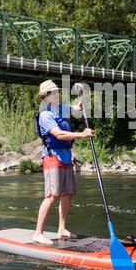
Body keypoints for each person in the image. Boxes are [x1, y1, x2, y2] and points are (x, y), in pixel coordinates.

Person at [33, 79, 94, 245]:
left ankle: (62, 229)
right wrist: (82, 134)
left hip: (66, 156)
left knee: (67, 194)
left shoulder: (61, 109)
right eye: (54, 92)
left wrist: (82, 97)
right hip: (52, 158)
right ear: (46, 96)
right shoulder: (45, 115)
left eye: (57, 91)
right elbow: (59, 135)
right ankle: (38, 233)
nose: (57, 94)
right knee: (52, 196)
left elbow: (79, 109)